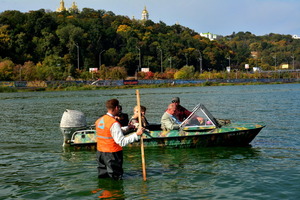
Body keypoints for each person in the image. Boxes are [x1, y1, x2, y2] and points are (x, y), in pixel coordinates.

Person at [95, 99, 144, 180]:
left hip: (100, 153)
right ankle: (115, 192)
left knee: (103, 177)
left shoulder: (100, 120)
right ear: (117, 107)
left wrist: (128, 127)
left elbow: (110, 132)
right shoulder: (113, 123)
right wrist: (137, 134)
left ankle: (104, 192)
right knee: (115, 178)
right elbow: (121, 142)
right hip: (112, 154)